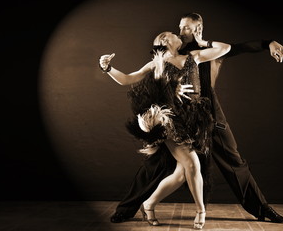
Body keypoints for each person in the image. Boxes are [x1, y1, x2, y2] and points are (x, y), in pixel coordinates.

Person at [109, 12, 283, 224]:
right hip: (178, 120)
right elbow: (149, 82)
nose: (181, 32)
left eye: (186, 28)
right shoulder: (169, 53)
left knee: (235, 163)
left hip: (210, 116)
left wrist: (268, 43)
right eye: (179, 28)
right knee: (157, 165)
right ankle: (126, 209)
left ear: (197, 29)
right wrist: (171, 90)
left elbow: (237, 48)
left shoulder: (204, 52)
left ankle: (262, 209)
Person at [99, 31, 231, 229]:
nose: (179, 34)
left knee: (181, 173)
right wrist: (107, 68)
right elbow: (128, 79)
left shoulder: (194, 56)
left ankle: (149, 203)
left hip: (195, 119)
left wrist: (203, 41)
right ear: (164, 40)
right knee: (193, 164)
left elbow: (225, 48)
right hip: (171, 120)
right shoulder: (157, 63)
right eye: (173, 33)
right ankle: (201, 211)